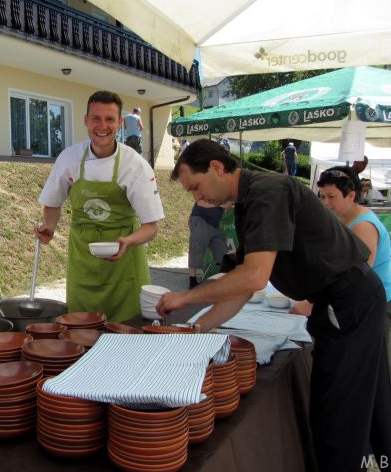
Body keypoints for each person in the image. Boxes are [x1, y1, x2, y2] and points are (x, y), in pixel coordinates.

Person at [157, 139, 391, 472]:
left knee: (338, 418)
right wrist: (195, 329)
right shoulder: (248, 203)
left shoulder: (269, 193)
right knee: (369, 405)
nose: (198, 198)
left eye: (196, 187)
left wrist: (185, 297)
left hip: (348, 300)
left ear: (217, 167)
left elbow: (253, 277)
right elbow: (241, 287)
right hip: (344, 298)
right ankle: (378, 462)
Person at [36, 91, 164, 323]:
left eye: (109, 119)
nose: (102, 126)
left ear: (120, 123)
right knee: (81, 328)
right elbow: (52, 203)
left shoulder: (134, 165)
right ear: (86, 121)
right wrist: (49, 227)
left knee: (127, 330)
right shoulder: (69, 158)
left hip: (124, 258)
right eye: (96, 118)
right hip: (82, 257)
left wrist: (128, 241)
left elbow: (151, 226)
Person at [314, 167, 391, 380]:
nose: (326, 202)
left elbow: (355, 276)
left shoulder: (363, 226)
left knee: (375, 369)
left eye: (332, 197)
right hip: (366, 302)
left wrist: (313, 302)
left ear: (351, 195)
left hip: (379, 304)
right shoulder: (344, 218)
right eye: (322, 196)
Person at [187, 200, 231, 289]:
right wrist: (220, 204)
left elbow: (229, 205)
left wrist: (220, 204)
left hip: (215, 225)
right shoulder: (205, 188)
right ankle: (193, 282)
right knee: (196, 250)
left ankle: (224, 280)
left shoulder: (224, 191)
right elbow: (200, 202)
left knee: (223, 252)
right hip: (201, 220)